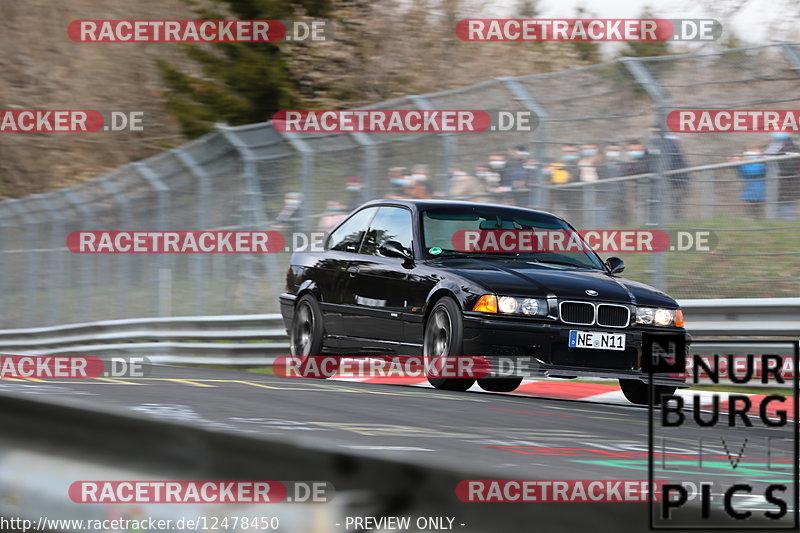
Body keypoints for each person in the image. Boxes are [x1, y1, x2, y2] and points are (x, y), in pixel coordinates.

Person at [648, 128, 690, 219]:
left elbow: (667, 160)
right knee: (672, 206)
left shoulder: (667, 143)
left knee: (672, 206)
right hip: (674, 179)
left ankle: (672, 226)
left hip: (677, 180)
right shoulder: (665, 143)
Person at [764, 132, 800, 219]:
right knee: (779, 206)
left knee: (786, 207)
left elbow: (790, 166)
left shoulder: (791, 148)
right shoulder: (774, 146)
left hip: (786, 182)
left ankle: (786, 225)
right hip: (778, 182)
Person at [732, 147, 767, 218]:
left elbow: (752, 171)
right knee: (751, 212)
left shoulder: (761, 162)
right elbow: (746, 173)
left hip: (757, 192)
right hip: (750, 191)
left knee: (756, 212)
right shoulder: (747, 163)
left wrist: (738, 163)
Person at [545, 144, 580, 216]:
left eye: (571, 151)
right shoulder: (557, 164)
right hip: (558, 194)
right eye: (566, 152)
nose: (569, 154)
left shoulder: (580, 163)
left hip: (575, 195)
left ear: (576, 152)